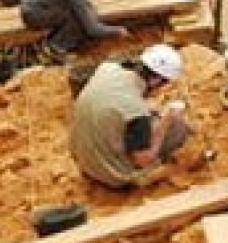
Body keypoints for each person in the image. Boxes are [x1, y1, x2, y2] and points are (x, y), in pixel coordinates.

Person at [70, 44, 192, 189]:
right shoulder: (137, 112)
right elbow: (144, 160)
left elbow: (115, 100)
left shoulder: (107, 68)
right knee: (178, 128)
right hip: (110, 173)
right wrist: (166, 120)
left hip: (84, 160)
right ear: (155, 80)